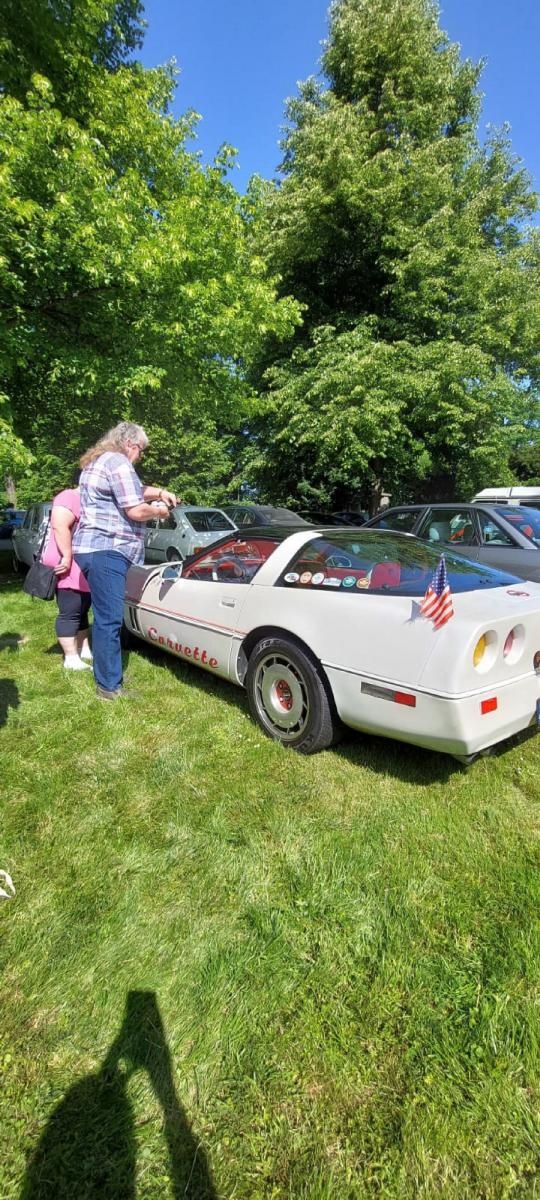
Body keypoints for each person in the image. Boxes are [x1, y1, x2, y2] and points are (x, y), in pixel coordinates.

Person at [73, 422, 177, 700]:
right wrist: (160, 511)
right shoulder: (119, 462)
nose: (140, 457)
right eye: (141, 451)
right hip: (107, 549)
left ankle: (106, 676)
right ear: (131, 445)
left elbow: (130, 490)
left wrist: (158, 492)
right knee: (110, 619)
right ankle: (108, 686)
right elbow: (134, 509)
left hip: (92, 548)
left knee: (105, 615)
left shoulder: (98, 461)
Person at [41, 474, 92, 670]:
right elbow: (59, 526)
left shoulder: (88, 500)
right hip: (67, 563)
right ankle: (70, 658)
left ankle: (84, 648)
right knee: (70, 610)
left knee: (83, 608)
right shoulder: (69, 496)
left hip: (80, 562)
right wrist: (67, 556)